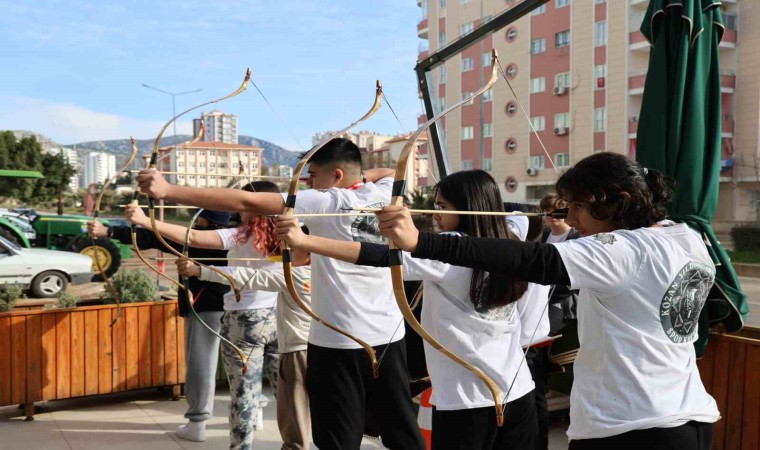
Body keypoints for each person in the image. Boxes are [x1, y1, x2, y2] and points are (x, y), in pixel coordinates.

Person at [375, 152, 719, 450]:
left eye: (579, 206)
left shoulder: (625, 251)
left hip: (631, 429)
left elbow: (532, 259)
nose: (570, 219)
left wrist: (420, 242)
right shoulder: (686, 236)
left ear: (620, 202)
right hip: (691, 415)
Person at [136, 138, 425, 450]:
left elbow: (245, 201)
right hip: (388, 337)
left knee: (338, 435)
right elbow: (387, 172)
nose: (307, 183)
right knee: (400, 428)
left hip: (337, 341)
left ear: (337, 175)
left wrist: (168, 190)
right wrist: (362, 177)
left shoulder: (325, 201)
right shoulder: (384, 192)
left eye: (312, 175)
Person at [276, 170, 538, 450]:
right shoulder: (512, 238)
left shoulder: (445, 253)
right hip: (519, 390)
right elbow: (521, 216)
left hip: (467, 401)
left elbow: (375, 255)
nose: (435, 215)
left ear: (467, 209)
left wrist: (305, 241)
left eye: (442, 207)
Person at [125, 181, 280, 450]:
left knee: (244, 392)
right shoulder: (289, 233)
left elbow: (194, 237)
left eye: (243, 203)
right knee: (287, 391)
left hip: (244, 320)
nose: (238, 209)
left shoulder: (241, 235)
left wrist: (144, 220)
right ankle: (299, 442)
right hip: (279, 317)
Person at [88, 209, 231, 442]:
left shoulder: (197, 237)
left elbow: (153, 237)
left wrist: (108, 231)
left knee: (202, 363)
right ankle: (251, 413)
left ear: (206, 218)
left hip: (205, 306)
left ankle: (197, 423)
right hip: (241, 305)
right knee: (244, 361)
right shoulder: (239, 235)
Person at [176, 228, 313, 450]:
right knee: (291, 398)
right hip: (289, 336)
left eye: (293, 249)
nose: (285, 251)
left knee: (245, 393)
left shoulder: (293, 275)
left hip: (256, 327)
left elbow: (247, 276)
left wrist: (198, 270)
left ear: (308, 256)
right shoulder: (322, 274)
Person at [539, 193, 580, 334]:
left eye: (557, 210)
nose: (552, 214)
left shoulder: (577, 237)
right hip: (539, 299)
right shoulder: (541, 235)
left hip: (564, 303)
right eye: (547, 210)